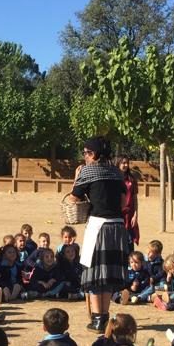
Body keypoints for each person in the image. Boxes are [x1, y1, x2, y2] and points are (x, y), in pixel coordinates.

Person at [65, 137, 130, 333]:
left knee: (93, 273)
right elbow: (123, 203)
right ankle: (105, 317)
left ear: (93, 154)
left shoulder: (88, 171)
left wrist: (76, 178)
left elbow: (73, 198)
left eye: (86, 153)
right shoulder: (116, 172)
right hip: (117, 227)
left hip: (98, 226)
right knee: (108, 274)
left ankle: (97, 319)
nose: (84, 156)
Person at [118, 155, 140, 246]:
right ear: (118, 164)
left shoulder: (132, 179)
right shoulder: (114, 179)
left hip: (129, 215)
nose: (126, 165)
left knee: (129, 243)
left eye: (127, 163)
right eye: (123, 163)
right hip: (118, 215)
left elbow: (135, 198)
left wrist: (135, 215)